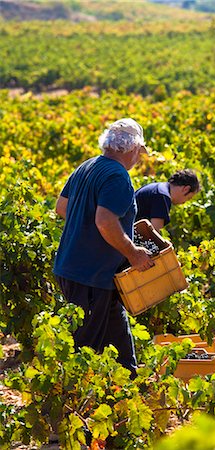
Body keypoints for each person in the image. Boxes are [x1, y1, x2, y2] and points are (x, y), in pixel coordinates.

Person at [54, 118, 154, 377]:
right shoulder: (118, 177)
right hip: (90, 276)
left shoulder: (87, 167)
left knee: (117, 335)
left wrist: (88, 231)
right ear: (132, 150)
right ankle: (71, 404)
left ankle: (129, 385)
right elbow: (105, 220)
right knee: (84, 348)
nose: (139, 159)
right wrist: (133, 254)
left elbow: (62, 208)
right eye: (139, 153)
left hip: (78, 270)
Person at [135, 169, 200, 232]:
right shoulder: (162, 196)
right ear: (186, 189)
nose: (184, 202)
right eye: (188, 198)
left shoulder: (159, 188)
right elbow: (155, 233)